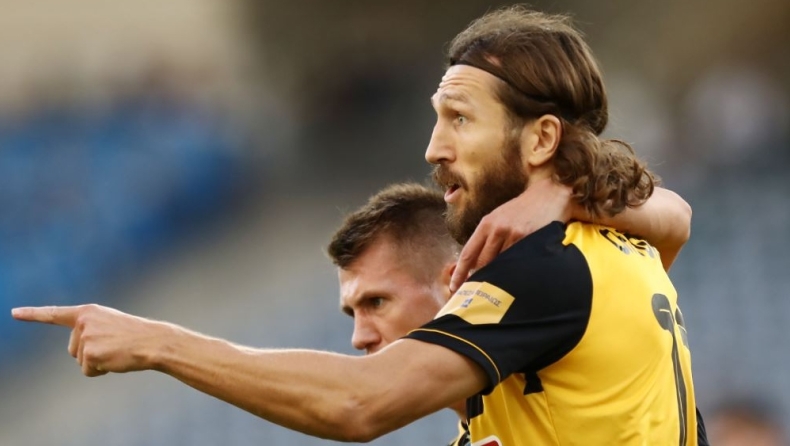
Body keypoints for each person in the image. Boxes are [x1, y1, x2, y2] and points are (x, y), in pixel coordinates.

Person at [13, 6, 705, 445]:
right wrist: (566, 192)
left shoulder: (545, 266)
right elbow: (674, 220)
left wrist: (158, 343)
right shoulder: (619, 247)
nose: (433, 147)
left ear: (541, 138)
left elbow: (356, 405)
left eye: (460, 119)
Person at [328, 180, 694, 445]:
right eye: (352, 313)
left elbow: (676, 217)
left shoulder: (563, 306)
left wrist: (563, 194)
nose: (359, 337)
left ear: (454, 282)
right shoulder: (491, 419)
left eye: (376, 302)